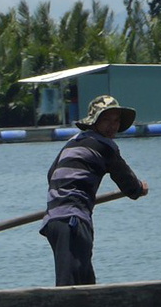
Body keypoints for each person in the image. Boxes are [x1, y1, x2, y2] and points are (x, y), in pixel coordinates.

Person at [41, 95, 149, 286]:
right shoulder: (105, 146)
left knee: (85, 280)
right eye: (106, 120)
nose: (112, 126)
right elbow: (129, 184)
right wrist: (140, 188)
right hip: (72, 219)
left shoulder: (73, 142)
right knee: (70, 285)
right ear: (95, 121)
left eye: (116, 121)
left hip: (54, 221)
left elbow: (52, 174)